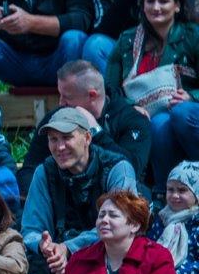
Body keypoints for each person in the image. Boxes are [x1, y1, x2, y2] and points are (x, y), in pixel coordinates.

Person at [21, 108, 139, 274]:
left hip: (110, 260)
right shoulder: (44, 172)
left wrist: (68, 248)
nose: (60, 147)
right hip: (56, 263)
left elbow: (120, 225)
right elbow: (30, 229)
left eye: (67, 137)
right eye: (53, 139)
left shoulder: (118, 169)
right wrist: (45, 246)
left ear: (87, 138)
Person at [105, 0, 199, 191]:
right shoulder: (128, 39)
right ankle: (165, 191)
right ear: (143, 5)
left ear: (177, 6)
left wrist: (191, 96)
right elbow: (111, 87)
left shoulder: (193, 35)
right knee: (156, 124)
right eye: (150, 1)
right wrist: (130, 106)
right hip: (145, 114)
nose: (156, 7)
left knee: (179, 114)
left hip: (186, 110)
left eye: (163, 1)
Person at [19, 60, 150, 193]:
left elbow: (132, 170)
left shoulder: (133, 120)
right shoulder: (57, 117)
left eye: (67, 97)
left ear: (92, 95)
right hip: (64, 198)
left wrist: (97, 133)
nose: (61, 103)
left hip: (112, 199)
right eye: (60, 95)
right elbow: (30, 169)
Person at [149, 161, 199, 274]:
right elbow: (150, 248)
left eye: (182, 190)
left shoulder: (197, 222)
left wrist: (172, 270)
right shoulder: (161, 218)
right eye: (170, 189)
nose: (175, 195)